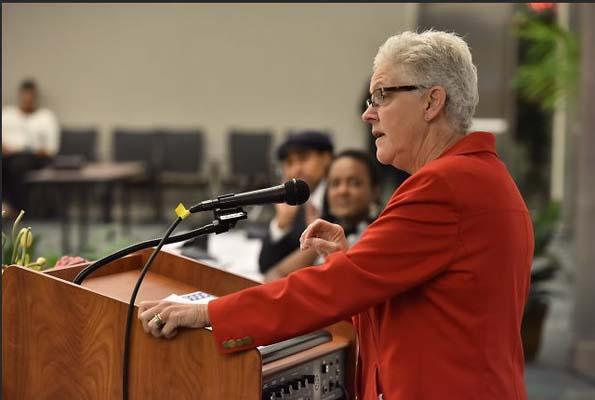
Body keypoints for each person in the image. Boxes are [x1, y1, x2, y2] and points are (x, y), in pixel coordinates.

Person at [139, 30, 534, 400]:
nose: (368, 114)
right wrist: (351, 263)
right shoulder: (482, 176)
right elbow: (423, 306)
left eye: (382, 95)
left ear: (432, 101)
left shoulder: (445, 186)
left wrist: (208, 312)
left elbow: (329, 291)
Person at [264, 149, 381, 282]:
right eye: (335, 184)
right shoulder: (329, 231)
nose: (342, 191)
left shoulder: (380, 234)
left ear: (375, 191)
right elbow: (274, 274)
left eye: (354, 183)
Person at [258, 130, 334, 274]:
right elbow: (265, 266)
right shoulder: (294, 202)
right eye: (290, 163)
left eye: (304, 159)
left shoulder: (339, 195)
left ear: (326, 158)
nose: (296, 169)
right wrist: (281, 226)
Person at [2, 79, 59, 213]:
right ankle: (6, 207)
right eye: (25, 95)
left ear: (35, 97)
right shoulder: (7, 115)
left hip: (36, 158)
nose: (28, 99)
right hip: (8, 156)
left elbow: (50, 149)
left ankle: (18, 210)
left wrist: (22, 151)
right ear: (20, 96)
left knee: (18, 165)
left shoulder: (46, 117)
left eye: (31, 96)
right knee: (10, 164)